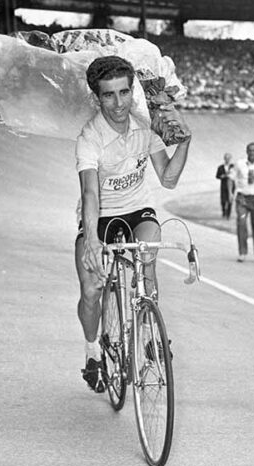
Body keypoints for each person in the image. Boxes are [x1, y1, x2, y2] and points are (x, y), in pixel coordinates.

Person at [74, 56, 192, 392]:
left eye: (124, 93)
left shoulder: (146, 125)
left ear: (132, 91)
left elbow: (168, 180)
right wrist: (93, 242)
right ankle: (93, 351)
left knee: (148, 259)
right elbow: (90, 192)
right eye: (108, 95)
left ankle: (150, 332)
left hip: (138, 208)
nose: (118, 103)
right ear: (98, 98)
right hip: (103, 213)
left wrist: (184, 143)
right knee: (91, 288)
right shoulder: (90, 137)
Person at [215, 152, 233, 219]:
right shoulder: (220, 167)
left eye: (228, 158)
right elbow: (217, 176)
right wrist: (221, 176)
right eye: (226, 158)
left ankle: (228, 215)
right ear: (224, 159)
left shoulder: (233, 167)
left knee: (230, 200)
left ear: (230, 159)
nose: (227, 159)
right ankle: (224, 212)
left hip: (231, 186)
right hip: (223, 186)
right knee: (223, 200)